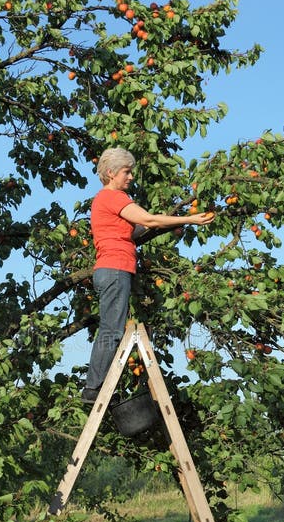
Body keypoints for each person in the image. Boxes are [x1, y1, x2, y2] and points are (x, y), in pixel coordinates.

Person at [82, 147, 215, 402]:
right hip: (115, 269)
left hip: (112, 269)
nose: (131, 177)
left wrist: (161, 223)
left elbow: (136, 229)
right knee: (111, 330)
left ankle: (95, 387)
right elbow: (149, 220)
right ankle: (93, 389)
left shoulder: (105, 201)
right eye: (127, 172)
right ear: (111, 173)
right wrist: (188, 219)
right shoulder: (113, 197)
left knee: (113, 328)